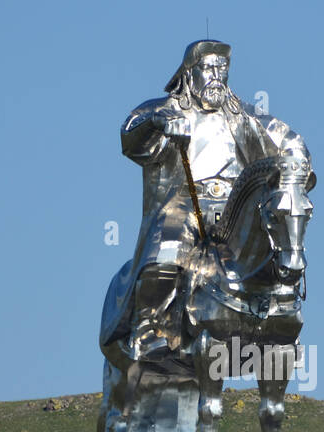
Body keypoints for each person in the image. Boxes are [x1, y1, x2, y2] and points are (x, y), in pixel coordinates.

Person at [102, 39, 310, 363]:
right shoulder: (169, 108)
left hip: (236, 205)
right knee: (167, 247)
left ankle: (276, 322)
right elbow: (130, 132)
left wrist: (295, 163)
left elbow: (287, 138)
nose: (217, 76)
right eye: (208, 68)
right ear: (189, 73)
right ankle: (150, 328)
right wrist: (159, 122)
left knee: (275, 240)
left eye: (222, 69)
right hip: (184, 204)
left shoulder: (244, 117)